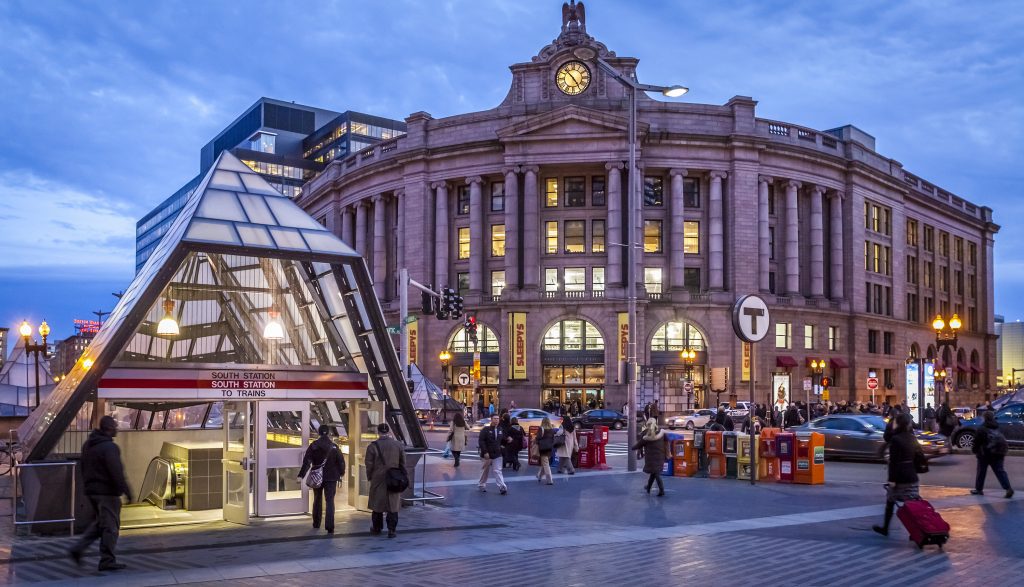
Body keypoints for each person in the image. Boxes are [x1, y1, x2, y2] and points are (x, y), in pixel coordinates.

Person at [69, 416, 132, 571]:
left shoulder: (88, 445)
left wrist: (88, 486)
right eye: (115, 426)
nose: (117, 429)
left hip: (92, 491)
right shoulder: (110, 447)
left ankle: (78, 548)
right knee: (111, 527)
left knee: (100, 524)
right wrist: (127, 491)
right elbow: (116, 472)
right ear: (109, 429)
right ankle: (107, 560)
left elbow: (83, 467)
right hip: (107, 493)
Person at [873, 412, 926, 536]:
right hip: (912, 476)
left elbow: (894, 462)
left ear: (898, 424)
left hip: (900, 477)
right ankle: (917, 531)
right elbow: (918, 456)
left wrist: (892, 479)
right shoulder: (912, 437)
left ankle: (885, 528)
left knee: (890, 501)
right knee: (913, 505)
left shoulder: (896, 439)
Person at [298, 425, 346, 534]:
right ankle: (330, 527)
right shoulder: (334, 447)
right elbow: (341, 462)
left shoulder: (314, 445)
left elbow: (307, 461)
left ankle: (316, 523)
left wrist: (301, 475)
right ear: (328, 433)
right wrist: (341, 473)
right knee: (330, 501)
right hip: (331, 477)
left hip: (317, 476)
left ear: (318, 433)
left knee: (317, 499)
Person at [365, 422, 406, 538]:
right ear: (388, 432)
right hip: (394, 479)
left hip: (378, 479)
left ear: (378, 432)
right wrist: (401, 476)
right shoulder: (398, 445)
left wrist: (370, 476)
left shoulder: (372, 446)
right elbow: (403, 463)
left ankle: (377, 528)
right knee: (393, 505)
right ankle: (392, 530)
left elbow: (369, 464)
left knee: (377, 505)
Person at [971, 411, 1014, 498]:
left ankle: (979, 489)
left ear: (984, 418)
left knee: (981, 471)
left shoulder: (981, 429)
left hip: (985, 454)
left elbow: (977, 442)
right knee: (1000, 471)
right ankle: (1008, 488)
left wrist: (975, 451)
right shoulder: (997, 426)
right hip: (999, 452)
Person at [631, 418, 669, 496]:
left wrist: (632, 448)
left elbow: (639, 445)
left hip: (650, 458)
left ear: (647, 425)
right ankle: (648, 487)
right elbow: (667, 441)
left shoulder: (645, 434)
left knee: (656, 473)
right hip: (660, 456)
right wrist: (668, 453)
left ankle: (661, 490)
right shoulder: (661, 432)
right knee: (654, 473)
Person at [477, 414, 509, 495]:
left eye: (497, 419)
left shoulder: (500, 429)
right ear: (491, 419)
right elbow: (481, 441)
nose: (496, 420)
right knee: (485, 470)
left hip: (497, 453)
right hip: (487, 454)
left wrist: (507, 440)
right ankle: (481, 484)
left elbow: (502, 440)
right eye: (494, 419)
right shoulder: (485, 429)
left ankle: (502, 486)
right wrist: (485, 452)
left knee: (498, 470)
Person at [535, 417, 556, 485]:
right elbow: (553, 439)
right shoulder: (552, 430)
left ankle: (549, 479)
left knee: (545, 464)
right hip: (549, 448)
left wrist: (536, 442)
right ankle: (539, 476)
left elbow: (537, 438)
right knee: (545, 463)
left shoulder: (541, 429)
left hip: (542, 448)